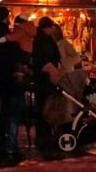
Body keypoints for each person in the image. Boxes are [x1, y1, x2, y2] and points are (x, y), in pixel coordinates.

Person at [0, 7, 26, 165]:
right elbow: (17, 55)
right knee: (13, 116)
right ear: (5, 17)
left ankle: (0, 148)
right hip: (11, 79)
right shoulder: (8, 36)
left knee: (3, 116)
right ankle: (11, 150)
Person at [32, 16, 62, 149]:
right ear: (46, 28)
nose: (53, 30)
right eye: (51, 27)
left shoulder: (48, 40)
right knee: (43, 107)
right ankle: (42, 135)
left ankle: (48, 133)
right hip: (44, 80)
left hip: (50, 78)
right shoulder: (40, 41)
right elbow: (41, 60)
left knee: (49, 107)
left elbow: (56, 55)